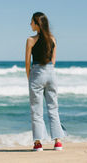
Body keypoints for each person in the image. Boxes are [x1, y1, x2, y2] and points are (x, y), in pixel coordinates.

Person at [25, 12, 67, 152]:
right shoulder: (53, 39)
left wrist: (29, 78)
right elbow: (53, 61)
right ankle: (58, 142)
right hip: (50, 73)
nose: (30, 24)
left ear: (37, 24)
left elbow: (27, 63)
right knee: (53, 108)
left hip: (36, 73)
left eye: (32, 22)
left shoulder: (30, 40)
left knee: (36, 110)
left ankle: (38, 143)